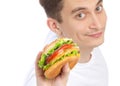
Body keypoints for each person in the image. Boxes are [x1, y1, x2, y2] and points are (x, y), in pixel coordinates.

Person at [24, 0, 108, 86]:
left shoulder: (85, 39)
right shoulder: (42, 82)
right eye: (80, 15)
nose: (98, 25)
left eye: (98, 8)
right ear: (55, 26)